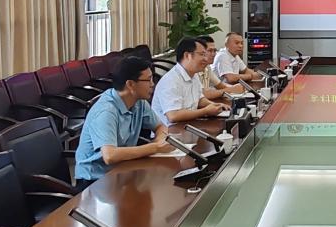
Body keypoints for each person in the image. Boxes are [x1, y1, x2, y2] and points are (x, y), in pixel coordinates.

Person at [74, 56, 169, 187]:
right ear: (130, 84)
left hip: (122, 169)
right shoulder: (106, 111)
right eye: (148, 80)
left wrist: (159, 141)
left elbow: (160, 127)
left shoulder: (139, 102)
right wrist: (155, 147)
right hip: (95, 181)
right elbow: (109, 156)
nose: (153, 84)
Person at [152, 36, 225, 126]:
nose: (206, 59)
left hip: (188, 125)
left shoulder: (193, 75)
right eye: (202, 54)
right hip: (170, 131)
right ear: (187, 55)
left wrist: (215, 105)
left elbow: (199, 99)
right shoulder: (171, 80)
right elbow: (173, 115)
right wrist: (205, 111)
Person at [197, 35, 244, 101]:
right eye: (210, 51)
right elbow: (204, 94)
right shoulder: (194, 70)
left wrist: (235, 87)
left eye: (214, 50)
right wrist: (231, 89)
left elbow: (220, 85)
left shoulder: (207, 67)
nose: (213, 54)